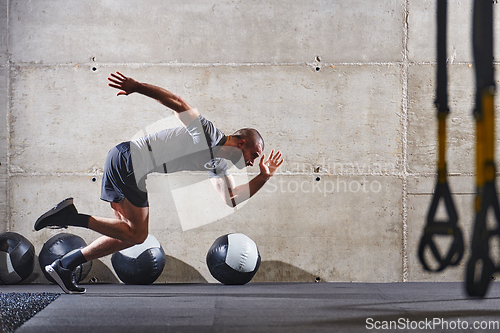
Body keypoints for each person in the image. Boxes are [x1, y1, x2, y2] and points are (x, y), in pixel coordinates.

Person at [34, 72, 283, 294]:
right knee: (138, 234)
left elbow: (231, 199)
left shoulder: (217, 164)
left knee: (129, 234)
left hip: (128, 162)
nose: (253, 162)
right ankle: (70, 218)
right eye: (254, 155)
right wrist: (137, 86)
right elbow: (177, 103)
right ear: (241, 143)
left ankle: (64, 264)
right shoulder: (209, 134)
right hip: (131, 159)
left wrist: (264, 176)